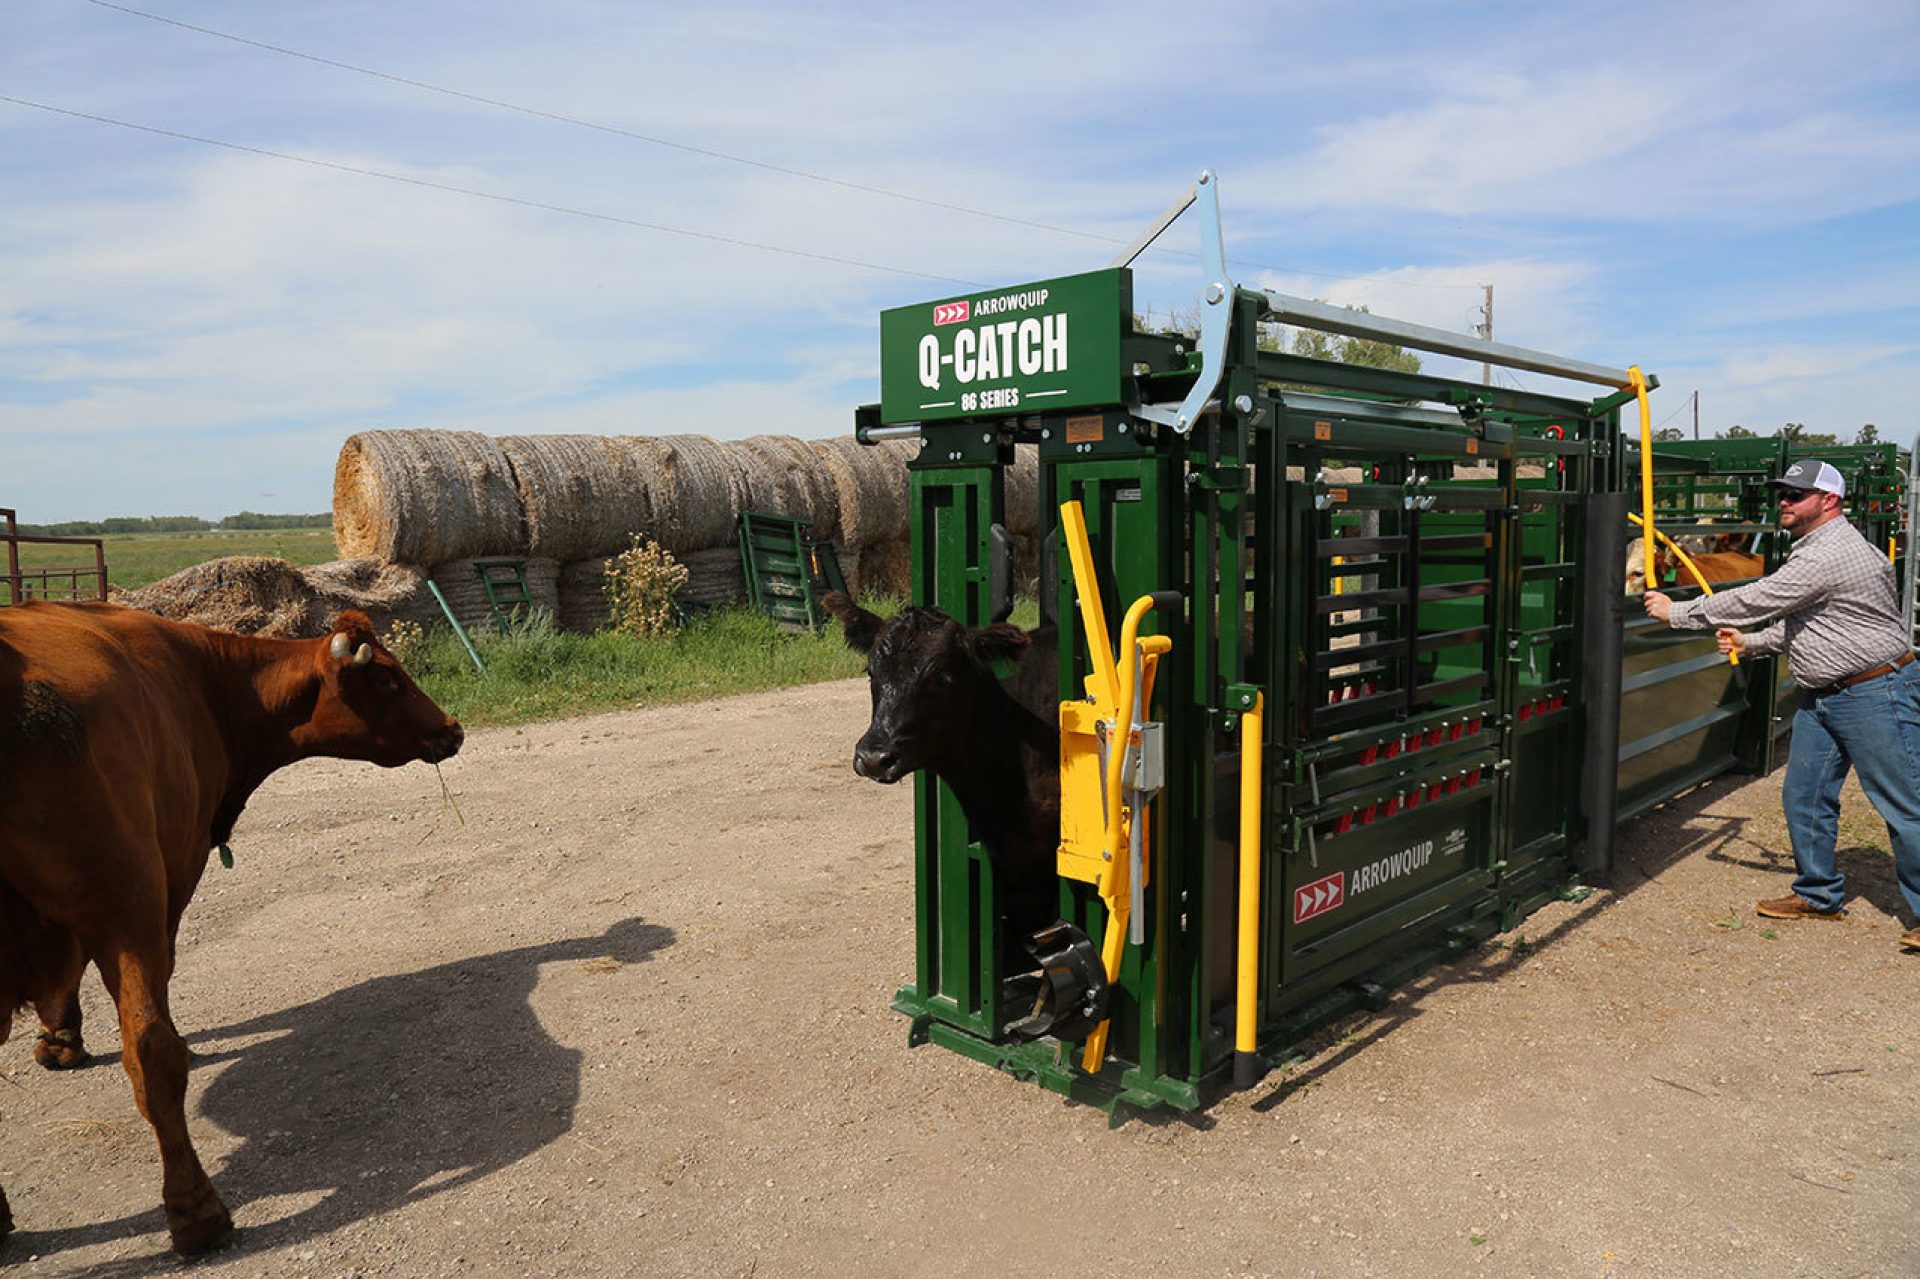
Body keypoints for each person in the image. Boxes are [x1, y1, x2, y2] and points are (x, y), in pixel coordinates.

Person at [1643, 458, 1920, 954]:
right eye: (1783, 493)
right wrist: (1751, 645)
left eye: (1796, 494)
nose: (1784, 502)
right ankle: (1818, 895)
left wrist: (1678, 611)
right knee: (1806, 796)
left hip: (1874, 692)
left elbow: (1761, 597)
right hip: (1828, 694)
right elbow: (1811, 625)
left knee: (1905, 806)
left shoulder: (1829, 553)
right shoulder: (1815, 549)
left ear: (1829, 501)